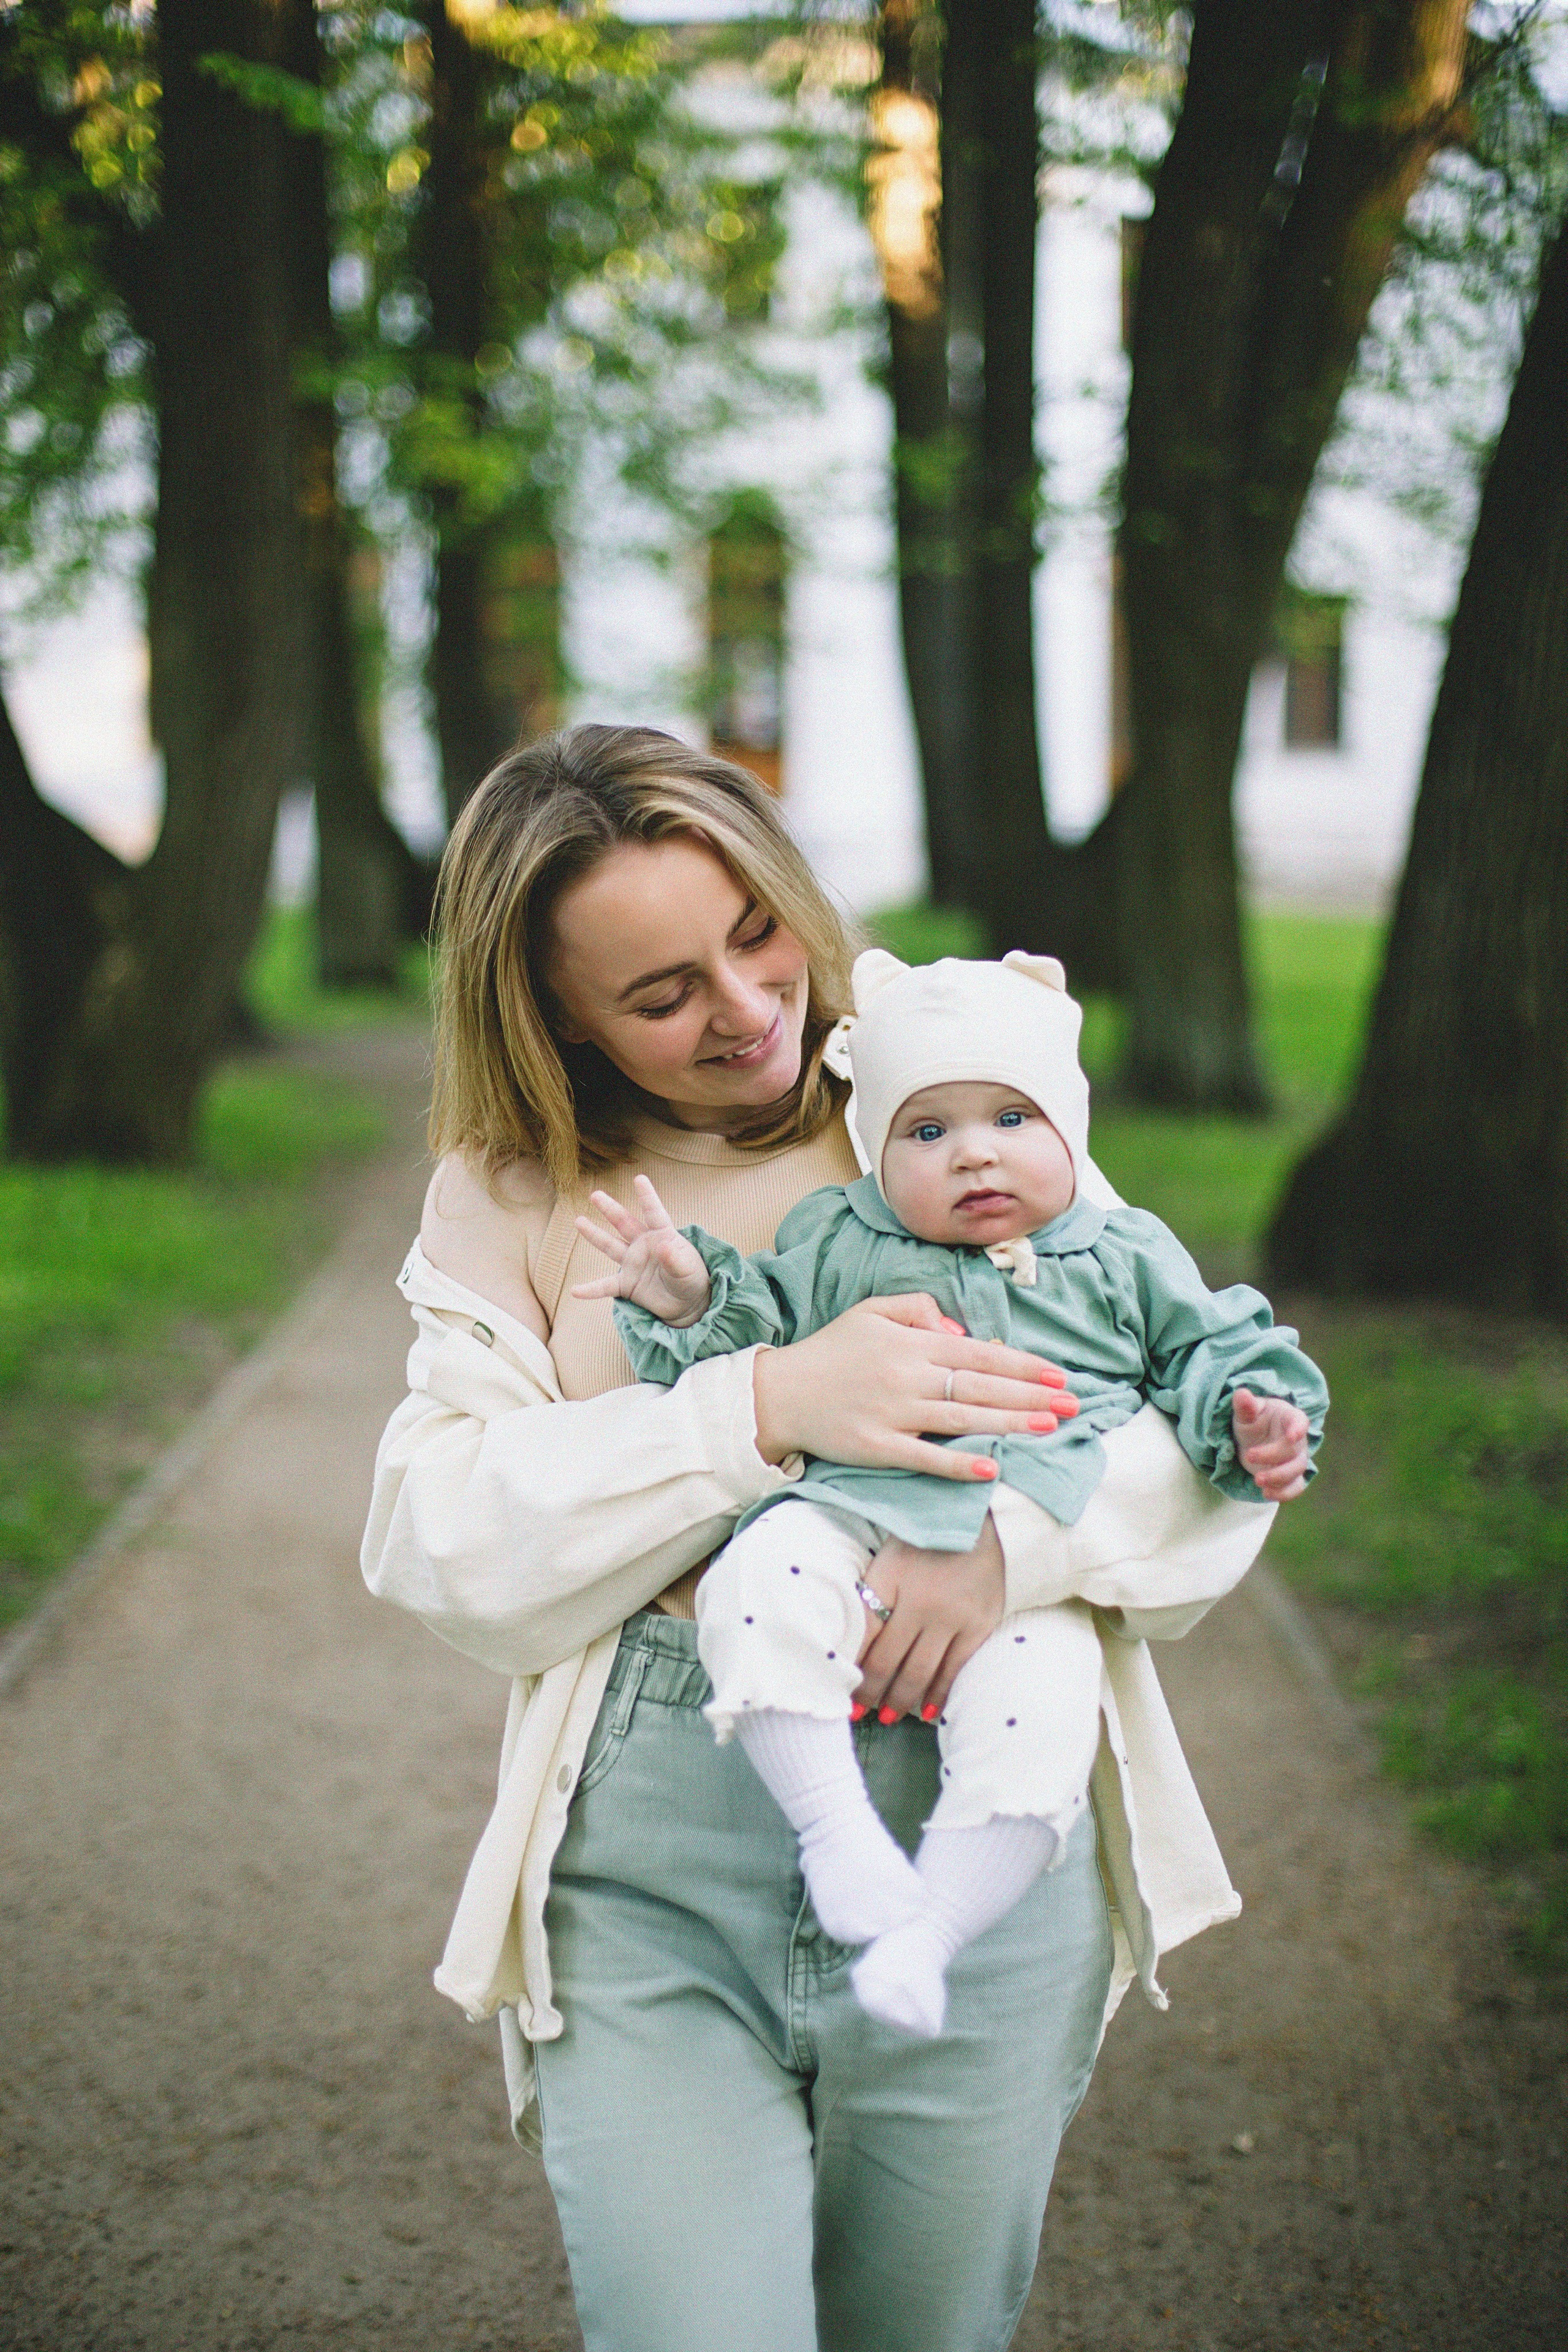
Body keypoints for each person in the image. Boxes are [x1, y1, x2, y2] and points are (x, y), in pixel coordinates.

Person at [360, 725, 1289, 2352]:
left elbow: (1201, 1439)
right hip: (655, 1865)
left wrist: (1011, 1554)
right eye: (660, 995)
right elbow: (435, 1537)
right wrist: (766, 1401)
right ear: (554, 1016)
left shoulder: (942, 1096)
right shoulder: (515, 1192)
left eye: (758, 932)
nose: (747, 1005)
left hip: (979, 1835)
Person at [573, 945, 1327, 2041]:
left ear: (1069, 1129)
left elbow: (1209, 1350)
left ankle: (931, 1938)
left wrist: (1250, 1416)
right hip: (847, 1513)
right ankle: (834, 1830)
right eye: (927, 1132)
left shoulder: (1123, 1254)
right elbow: (757, 1331)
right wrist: (689, 1296)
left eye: (1011, 1120)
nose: (975, 1154)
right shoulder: (841, 1238)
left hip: (1028, 1569)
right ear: (878, 1154)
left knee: (1042, 1726)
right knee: (756, 1588)